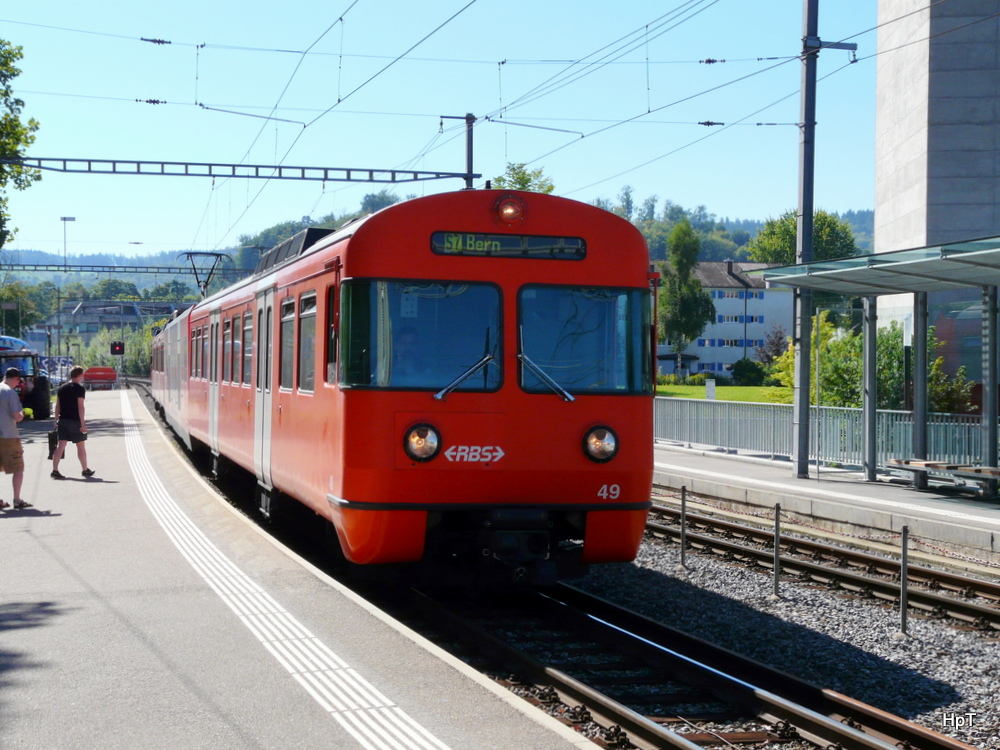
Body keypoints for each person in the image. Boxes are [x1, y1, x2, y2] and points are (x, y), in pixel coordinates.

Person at [51, 365, 95, 480]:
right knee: (80, 445)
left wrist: (56, 421)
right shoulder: (79, 389)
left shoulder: (62, 388)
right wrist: (83, 424)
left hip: (63, 421)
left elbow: (57, 406)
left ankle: (55, 470)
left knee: (61, 446)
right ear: (80, 375)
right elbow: (81, 407)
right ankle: (85, 470)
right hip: (75, 421)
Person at [0, 367, 30, 509]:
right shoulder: (9, 392)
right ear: (16, 379)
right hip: (8, 436)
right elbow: (17, 416)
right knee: (18, 468)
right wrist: (23, 414)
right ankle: (17, 499)